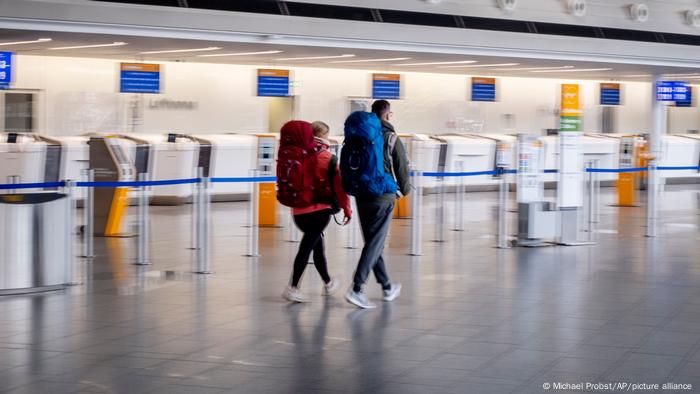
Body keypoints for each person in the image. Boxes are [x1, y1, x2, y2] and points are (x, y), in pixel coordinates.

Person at [344, 100, 411, 309]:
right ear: (388, 115)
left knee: (373, 241)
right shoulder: (390, 137)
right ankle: (357, 287)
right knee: (375, 242)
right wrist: (405, 190)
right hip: (383, 195)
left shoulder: (358, 133)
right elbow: (401, 166)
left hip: (361, 192)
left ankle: (387, 286)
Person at [282, 121, 352, 303]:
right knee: (306, 248)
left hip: (298, 211)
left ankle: (328, 283)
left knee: (317, 245)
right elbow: (340, 186)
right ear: (324, 136)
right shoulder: (328, 157)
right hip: (319, 212)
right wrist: (347, 208)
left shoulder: (298, 154)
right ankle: (293, 287)